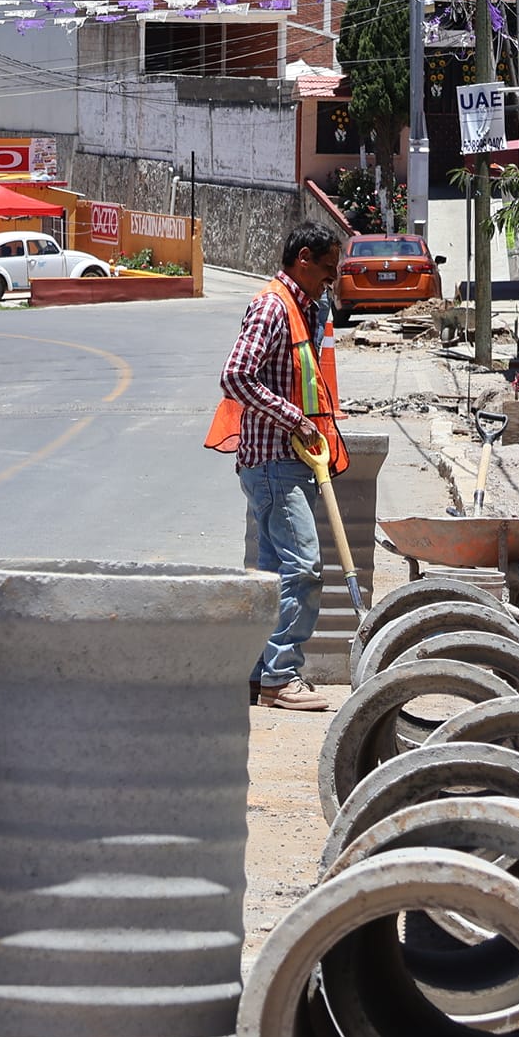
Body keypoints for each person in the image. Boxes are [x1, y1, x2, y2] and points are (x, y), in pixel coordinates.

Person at [205, 223, 347, 711]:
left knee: (272, 575)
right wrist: (295, 420)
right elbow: (235, 376)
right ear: (303, 259)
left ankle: (257, 673)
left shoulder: (303, 307)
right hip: (273, 461)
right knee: (304, 567)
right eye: (327, 270)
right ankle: (281, 676)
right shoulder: (272, 305)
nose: (330, 281)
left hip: (288, 461)